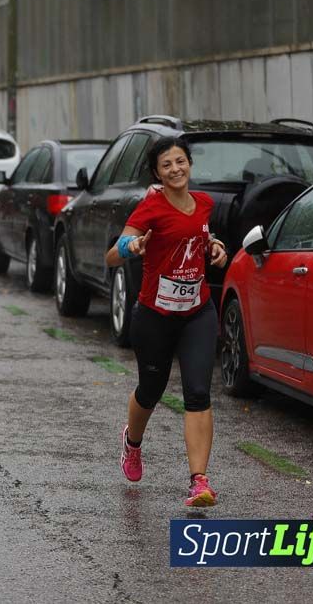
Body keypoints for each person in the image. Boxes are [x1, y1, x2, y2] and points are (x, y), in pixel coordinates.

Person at [106, 137, 228, 508]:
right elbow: (112, 256)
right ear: (157, 173)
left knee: (198, 392)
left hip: (197, 312)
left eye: (180, 161)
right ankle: (132, 442)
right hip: (155, 315)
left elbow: (200, 236)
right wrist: (132, 247)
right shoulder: (150, 208)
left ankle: (200, 482)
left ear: (190, 164)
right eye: (166, 165)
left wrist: (215, 247)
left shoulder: (205, 204)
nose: (175, 169)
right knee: (151, 388)